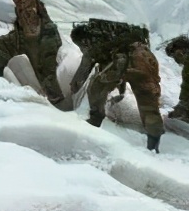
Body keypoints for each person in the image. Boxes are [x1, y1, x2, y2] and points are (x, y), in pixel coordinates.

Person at [69, 20, 166, 153]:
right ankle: (153, 146)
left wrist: (75, 85)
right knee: (149, 105)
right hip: (146, 58)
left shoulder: (92, 42)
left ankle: (95, 119)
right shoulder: (117, 37)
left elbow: (86, 64)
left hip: (122, 62)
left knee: (96, 87)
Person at [0, 0, 65, 109]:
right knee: (2, 44)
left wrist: (20, 42)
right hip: (36, 40)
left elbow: (32, 30)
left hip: (44, 42)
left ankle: (60, 109)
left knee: (46, 76)